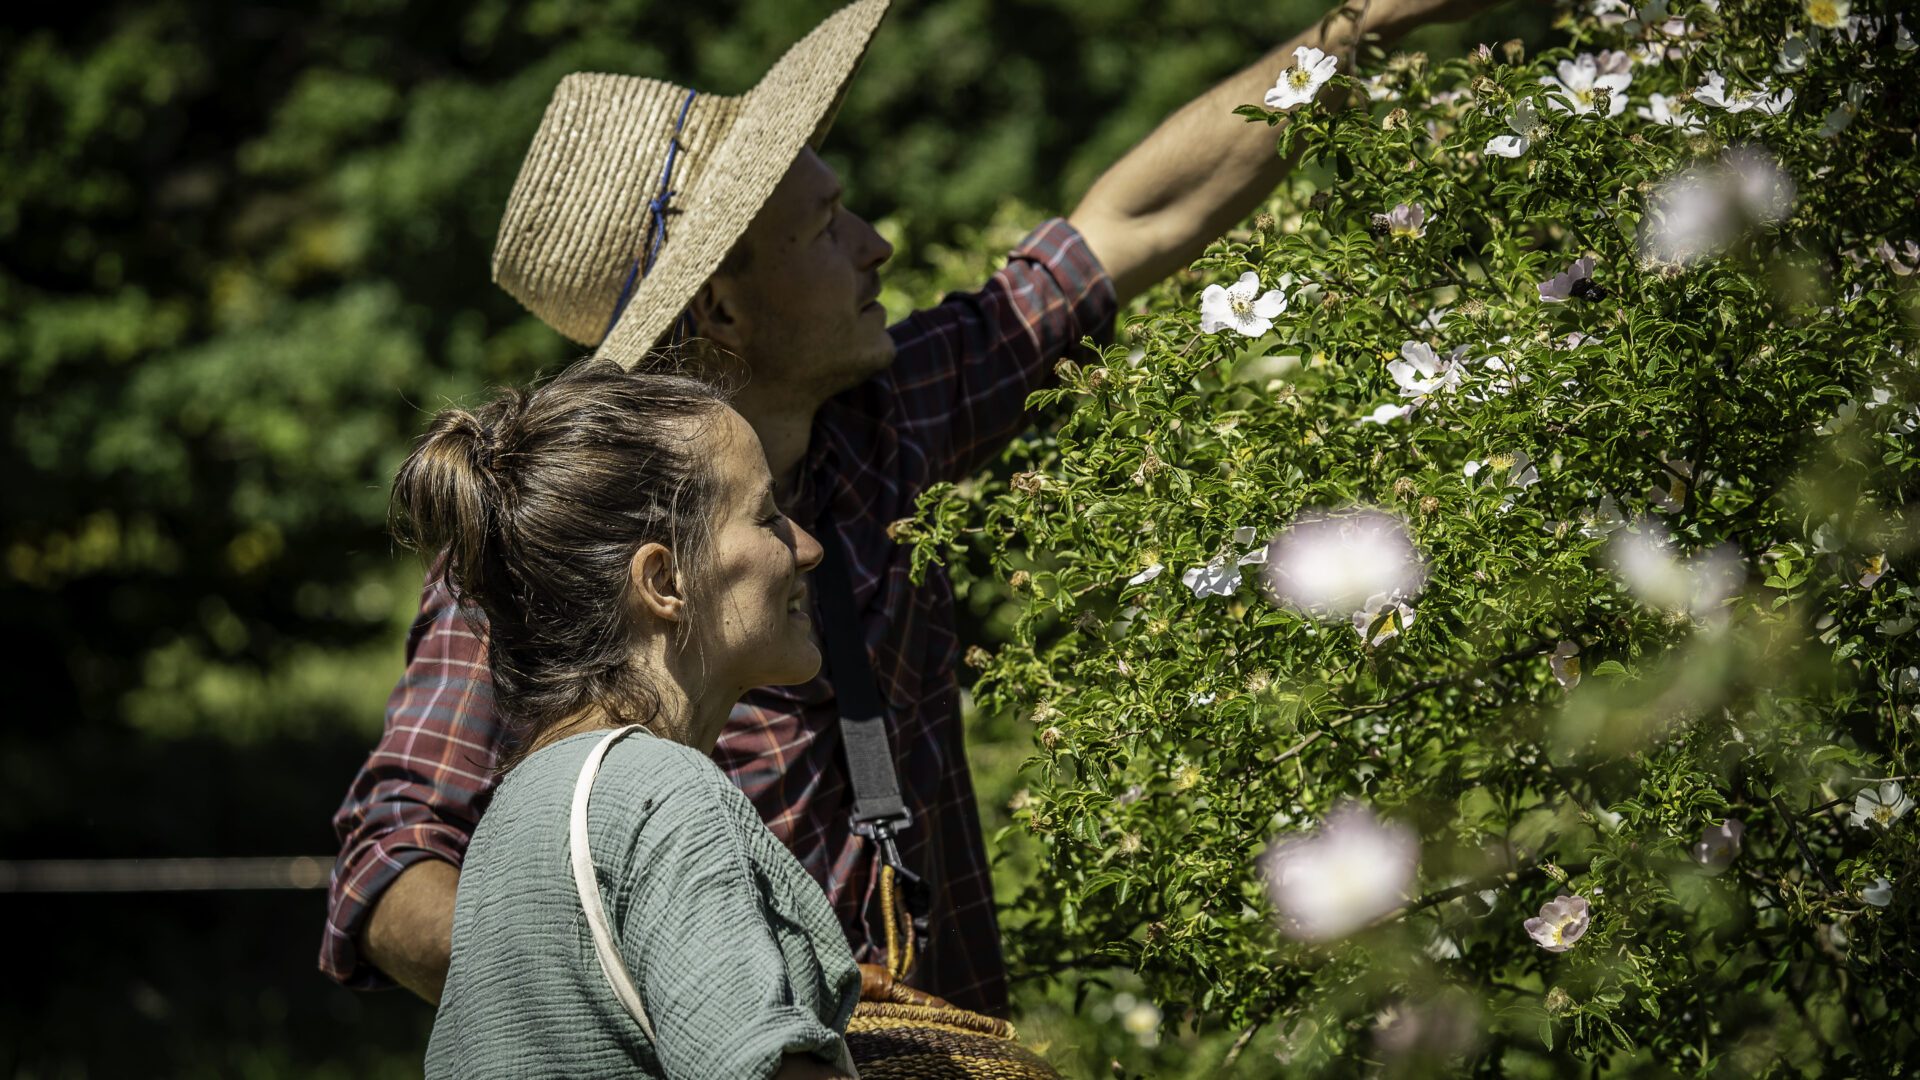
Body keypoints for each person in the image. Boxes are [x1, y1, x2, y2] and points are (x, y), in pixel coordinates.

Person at [323, 0, 1498, 1013]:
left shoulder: (889, 415)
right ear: (722, 313)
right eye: (825, 227)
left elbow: (1132, 224)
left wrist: (1365, 23)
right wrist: (654, 1001)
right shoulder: (555, 537)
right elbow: (391, 869)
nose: (876, 244)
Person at [400, 360, 857, 1078]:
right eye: (767, 516)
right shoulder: (665, 795)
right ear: (663, 581)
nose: (807, 546)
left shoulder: (515, 815)